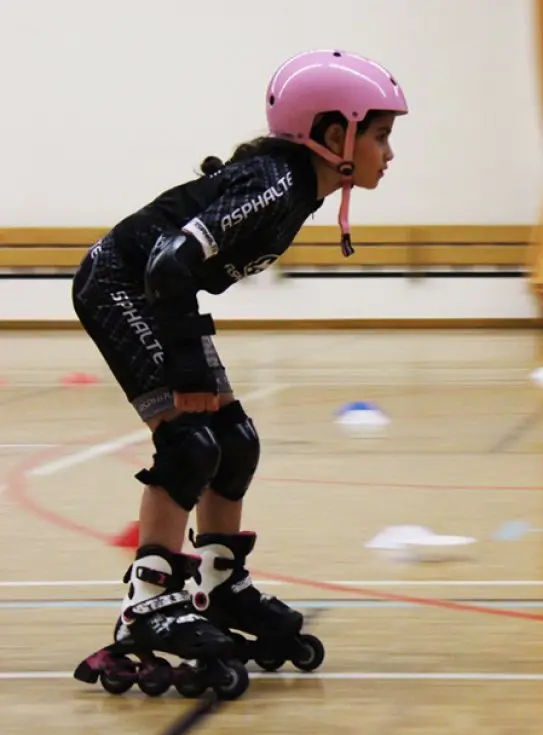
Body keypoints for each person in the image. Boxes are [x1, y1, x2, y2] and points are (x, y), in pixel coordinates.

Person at [70, 49, 408, 699]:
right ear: (334, 135)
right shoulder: (276, 184)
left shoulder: (298, 186)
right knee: (190, 445)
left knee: (236, 441)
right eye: (380, 135)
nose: (389, 153)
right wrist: (187, 362)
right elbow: (168, 263)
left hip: (161, 294)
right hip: (121, 285)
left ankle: (219, 584)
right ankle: (146, 604)